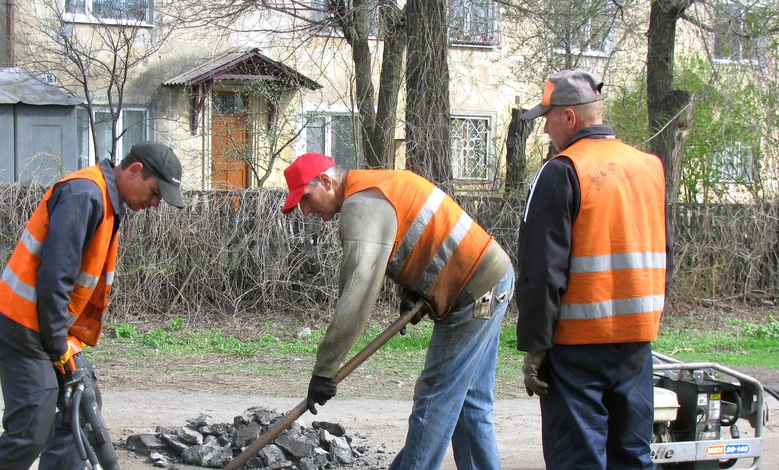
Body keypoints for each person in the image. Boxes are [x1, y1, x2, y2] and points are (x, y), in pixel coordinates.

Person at [281, 153, 514, 470]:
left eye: (306, 198)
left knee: (434, 400)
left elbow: (357, 292)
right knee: (469, 402)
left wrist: (325, 369)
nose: (306, 210)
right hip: (490, 277)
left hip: (473, 290)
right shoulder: (376, 187)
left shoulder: (361, 204)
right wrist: (413, 289)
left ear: (326, 181)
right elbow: (417, 234)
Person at [0, 142, 185, 470]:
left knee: (82, 405)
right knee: (31, 430)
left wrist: (62, 342)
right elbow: (56, 277)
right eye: (156, 192)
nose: (156, 204)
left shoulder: (106, 200)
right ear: (136, 170)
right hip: (22, 326)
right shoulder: (84, 195)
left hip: (46, 326)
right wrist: (58, 346)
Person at [516, 69, 673, 469]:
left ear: (569, 118)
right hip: (636, 342)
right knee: (632, 456)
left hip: (578, 346)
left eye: (547, 117)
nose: (545, 128)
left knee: (578, 460)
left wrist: (537, 345)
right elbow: (662, 250)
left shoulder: (563, 170)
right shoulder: (650, 167)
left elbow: (541, 270)